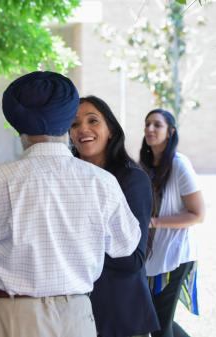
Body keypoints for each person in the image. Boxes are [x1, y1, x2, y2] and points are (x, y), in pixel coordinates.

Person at [0, 71, 142, 337]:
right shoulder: (101, 181)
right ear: (68, 120)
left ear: (18, 125)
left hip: (16, 316)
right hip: (77, 313)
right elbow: (125, 243)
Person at [69, 95, 160, 337]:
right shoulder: (68, 179)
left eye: (92, 120)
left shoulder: (132, 179)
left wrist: (69, 243)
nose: (83, 129)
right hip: (76, 316)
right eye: (74, 124)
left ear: (111, 130)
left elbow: (133, 259)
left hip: (122, 316)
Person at [140, 109, 205, 337]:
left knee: (159, 324)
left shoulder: (179, 165)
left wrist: (154, 222)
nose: (149, 129)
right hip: (154, 257)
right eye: (147, 124)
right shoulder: (146, 166)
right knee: (156, 319)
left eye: (157, 125)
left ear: (170, 132)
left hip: (176, 256)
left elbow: (197, 214)